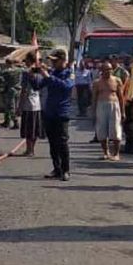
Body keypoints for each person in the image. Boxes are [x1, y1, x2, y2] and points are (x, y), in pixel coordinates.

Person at [30, 49, 75, 181]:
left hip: (62, 112)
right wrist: (32, 75)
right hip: (49, 112)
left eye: (55, 61)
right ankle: (57, 169)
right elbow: (37, 86)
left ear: (63, 60)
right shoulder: (51, 72)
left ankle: (66, 170)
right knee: (52, 143)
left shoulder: (69, 73)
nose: (53, 63)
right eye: (52, 61)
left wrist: (48, 76)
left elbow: (65, 86)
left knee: (62, 142)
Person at [92, 61, 124, 161]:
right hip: (101, 105)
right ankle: (106, 153)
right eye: (106, 69)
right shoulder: (97, 82)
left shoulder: (117, 80)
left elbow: (121, 97)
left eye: (110, 69)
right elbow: (94, 98)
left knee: (115, 130)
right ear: (101, 71)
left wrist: (123, 111)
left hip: (114, 105)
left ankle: (116, 153)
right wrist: (93, 111)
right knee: (102, 130)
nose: (108, 71)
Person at [19, 52, 44, 157]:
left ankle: (29, 150)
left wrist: (19, 105)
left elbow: (24, 90)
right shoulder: (40, 72)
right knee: (34, 128)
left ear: (29, 61)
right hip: (37, 103)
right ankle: (31, 149)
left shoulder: (26, 73)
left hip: (28, 103)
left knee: (28, 128)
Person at [0, 58, 23, 129]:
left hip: (11, 90)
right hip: (18, 90)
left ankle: (15, 122)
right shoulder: (19, 70)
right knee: (10, 106)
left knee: (10, 107)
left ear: (7, 63)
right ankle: (7, 121)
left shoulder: (7, 71)